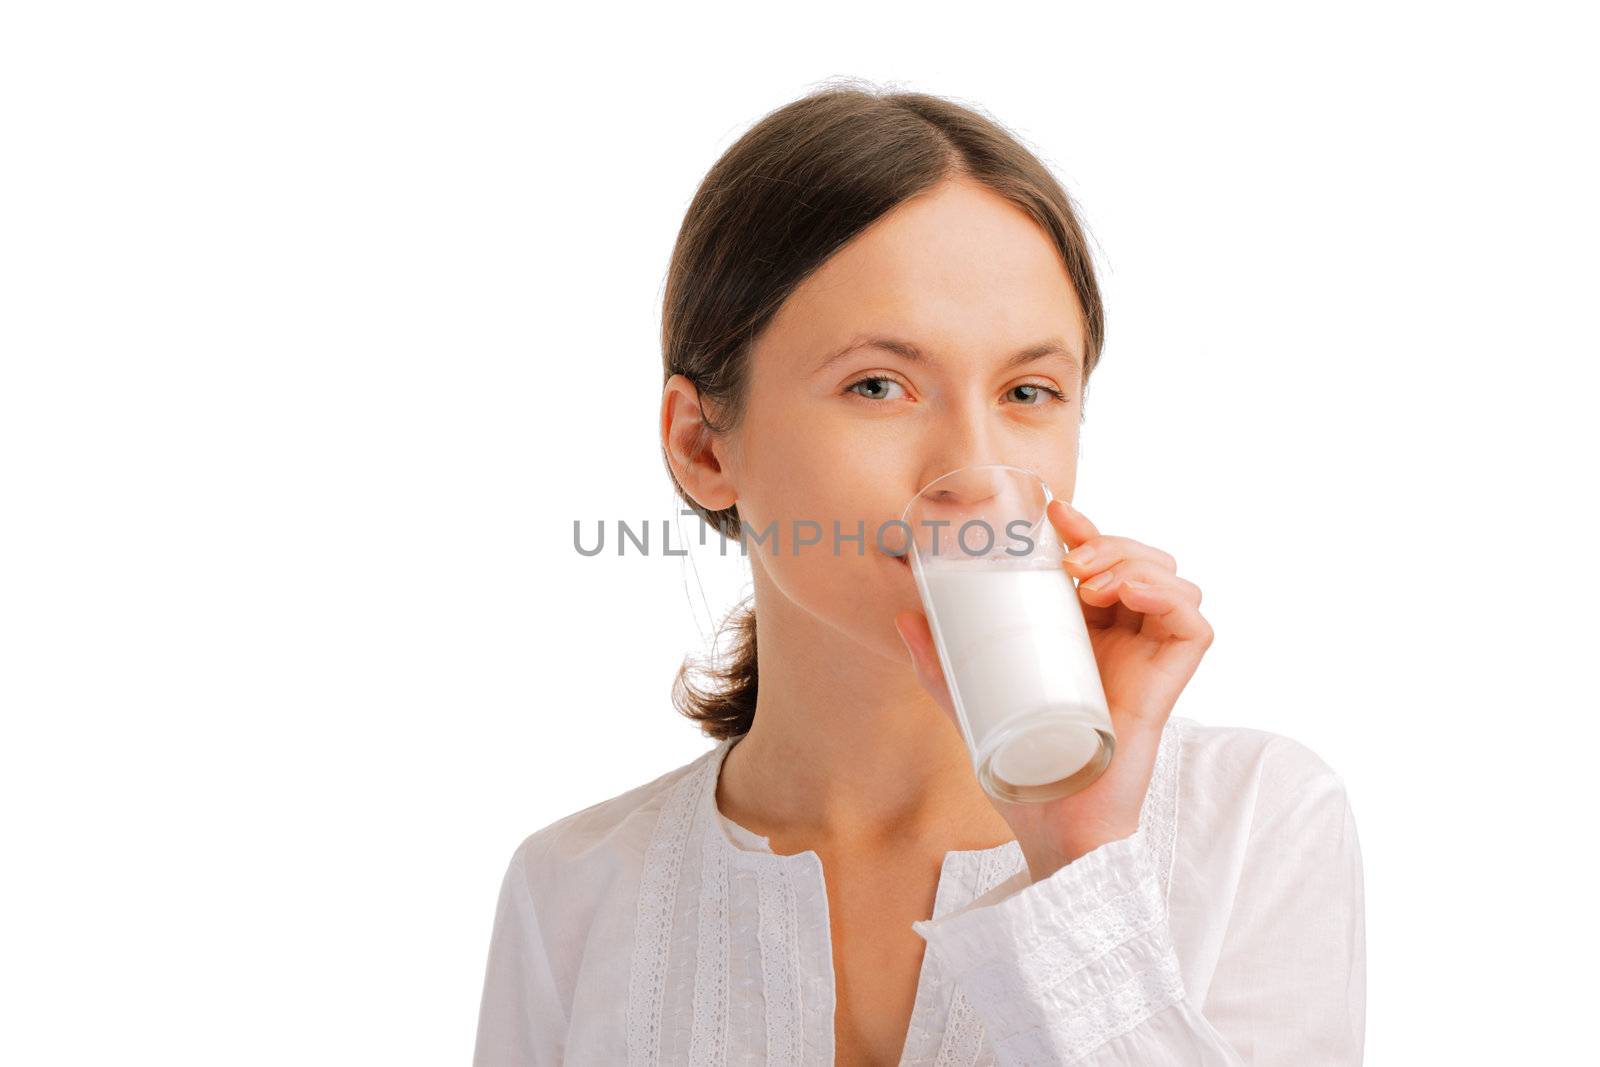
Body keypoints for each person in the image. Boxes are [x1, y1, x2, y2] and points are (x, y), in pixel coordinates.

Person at [472, 82, 1365, 1066]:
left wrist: (1078, 861)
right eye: (878, 384)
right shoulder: (572, 894)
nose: (968, 470)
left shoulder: (1252, 821)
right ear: (702, 444)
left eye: (1029, 390)